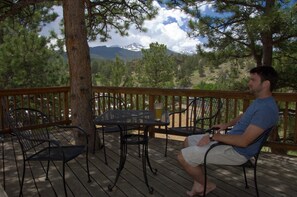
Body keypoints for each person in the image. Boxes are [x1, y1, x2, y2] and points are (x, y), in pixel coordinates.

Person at [177, 66, 279, 196]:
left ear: (266, 84)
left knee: (182, 157)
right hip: (230, 141)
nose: (249, 83)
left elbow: (244, 142)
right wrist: (227, 124)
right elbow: (245, 116)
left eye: (253, 80)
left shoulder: (266, 110)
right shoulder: (261, 101)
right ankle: (199, 183)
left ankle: (207, 185)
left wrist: (214, 137)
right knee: (188, 141)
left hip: (237, 151)